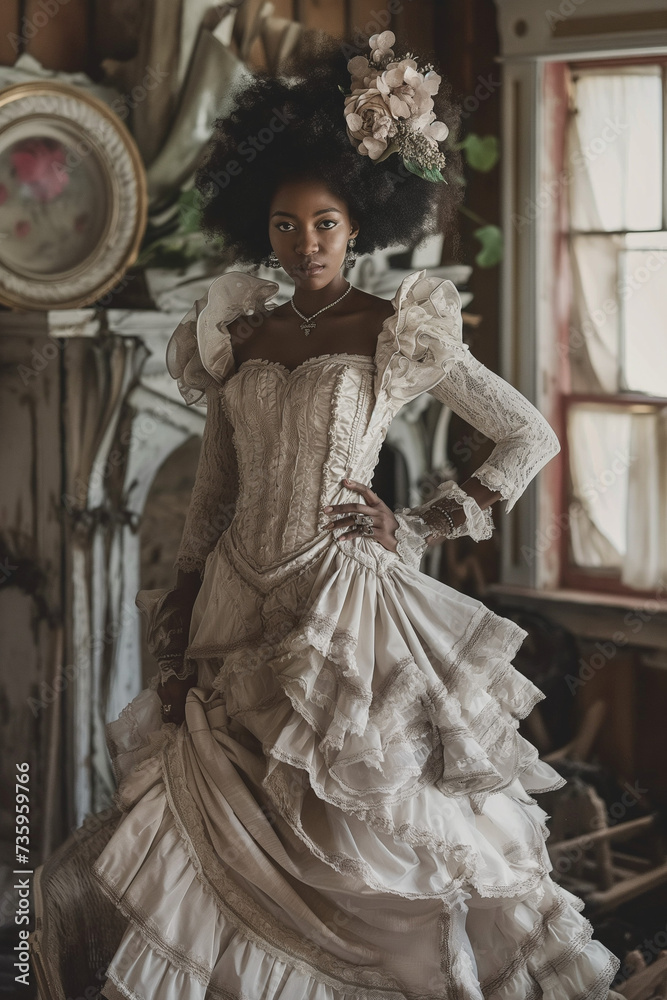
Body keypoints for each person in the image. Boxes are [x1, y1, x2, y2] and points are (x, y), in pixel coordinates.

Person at [39, 31, 624, 1000]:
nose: (302, 243)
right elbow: (215, 493)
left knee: (362, 844)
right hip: (234, 606)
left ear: (357, 226)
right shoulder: (240, 333)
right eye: (282, 225)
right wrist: (180, 610)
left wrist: (427, 518)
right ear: (260, 229)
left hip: (345, 610)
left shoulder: (397, 328)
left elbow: (526, 433)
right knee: (217, 842)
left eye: (321, 224)